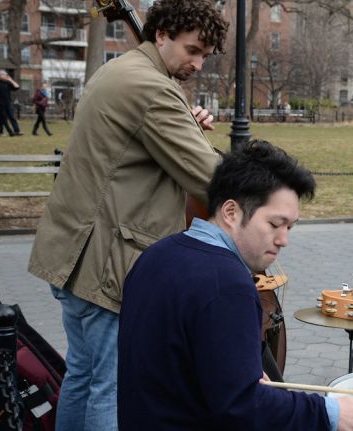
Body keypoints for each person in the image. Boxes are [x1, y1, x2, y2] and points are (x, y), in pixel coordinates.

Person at [27, 1, 228, 429]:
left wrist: (185, 123)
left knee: (82, 375)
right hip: (108, 263)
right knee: (112, 387)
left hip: (74, 255)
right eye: (192, 50)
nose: (197, 63)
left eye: (205, 56)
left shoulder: (120, 70)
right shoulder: (153, 88)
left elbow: (135, 144)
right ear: (161, 34)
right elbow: (211, 180)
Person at [117, 140, 353, 430]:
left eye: (289, 227)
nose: (284, 240)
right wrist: (329, 412)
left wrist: (238, 375)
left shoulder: (157, 255)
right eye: (274, 224)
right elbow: (241, 408)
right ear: (231, 212)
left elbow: (180, 369)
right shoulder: (227, 285)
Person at [0, 70, 22, 136]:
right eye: (5, 75)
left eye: (6, 75)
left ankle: (16, 131)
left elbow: (17, 87)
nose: (6, 76)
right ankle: (3, 132)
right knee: (2, 118)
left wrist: (11, 80)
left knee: (10, 117)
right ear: (0, 75)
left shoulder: (7, 83)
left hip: (8, 103)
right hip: (0, 105)